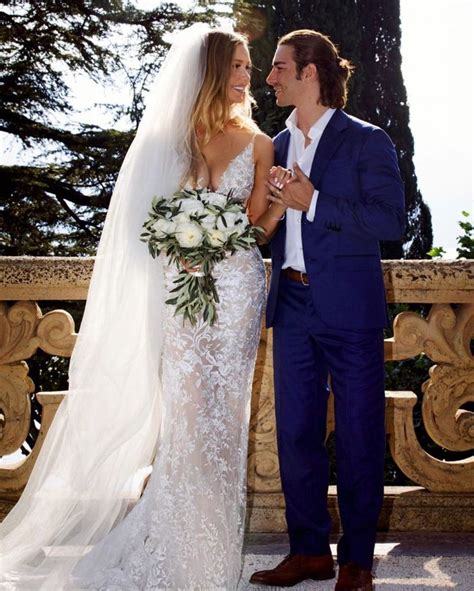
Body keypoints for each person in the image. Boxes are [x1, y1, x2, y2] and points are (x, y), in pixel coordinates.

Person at [0, 25, 286, 590]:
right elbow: (152, 224)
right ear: (210, 72)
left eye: (249, 67)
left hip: (236, 290)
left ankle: (209, 554)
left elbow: (252, 229)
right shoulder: (172, 141)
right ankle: (175, 546)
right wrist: (183, 244)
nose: (245, 77)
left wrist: (272, 213)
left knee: (224, 419)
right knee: (185, 420)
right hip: (184, 296)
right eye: (236, 66)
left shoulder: (259, 143)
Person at [250, 30, 405, 591]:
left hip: (350, 309)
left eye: (279, 67)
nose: (270, 78)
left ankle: (358, 562)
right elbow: (266, 225)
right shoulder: (274, 143)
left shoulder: (367, 141)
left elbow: (392, 222)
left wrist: (312, 201)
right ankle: (309, 552)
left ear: (310, 73)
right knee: (295, 433)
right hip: (290, 304)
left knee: (361, 433)